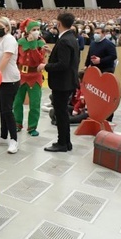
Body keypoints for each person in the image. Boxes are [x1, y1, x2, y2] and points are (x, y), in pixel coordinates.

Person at [37, 12, 80, 152]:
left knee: (61, 114)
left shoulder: (64, 40)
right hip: (67, 82)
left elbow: (63, 65)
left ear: (59, 23)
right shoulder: (70, 38)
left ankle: (62, 143)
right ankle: (66, 142)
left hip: (62, 83)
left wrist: (45, 66)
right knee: (61, 113)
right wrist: (52, 52)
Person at [0, 17, 21, 154]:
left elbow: (6, 58)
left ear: (7, 28)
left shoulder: (10, 40)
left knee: (7, 110)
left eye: (0, 26)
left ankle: (14, 140)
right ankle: (3, 135)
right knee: (1, 108)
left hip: (9, 79)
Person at [13, 19, 46, 137]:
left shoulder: (41, 43)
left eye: (38, 29)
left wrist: (33, 45)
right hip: (20, 75)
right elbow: (15, 59)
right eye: (33, 30)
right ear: (27, 31)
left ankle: (32, 127)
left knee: (35, 103)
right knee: (17, 102)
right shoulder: (20, 42)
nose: (36, 32)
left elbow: (39, 60)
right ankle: (17, 123)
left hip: (35, 76)